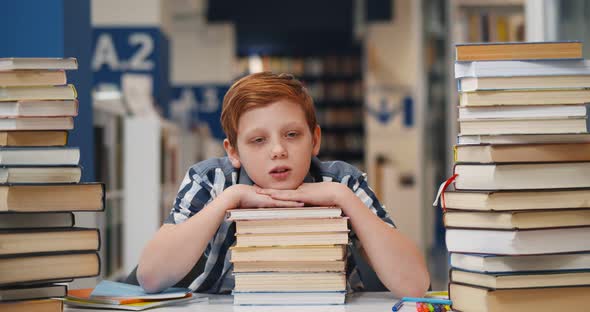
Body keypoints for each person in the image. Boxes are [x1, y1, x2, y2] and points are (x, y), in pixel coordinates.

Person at [137, 72, 430, 297]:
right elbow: (151, 276)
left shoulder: (342, 181)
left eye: (292, 134)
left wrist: (344, 198)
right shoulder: (210, 180)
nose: (278, 150)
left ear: (314, 140)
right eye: (258, 140)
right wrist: (229, 199)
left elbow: (415, 284)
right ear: (233, 152)